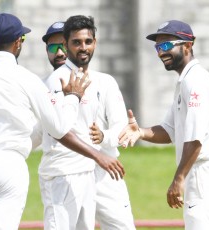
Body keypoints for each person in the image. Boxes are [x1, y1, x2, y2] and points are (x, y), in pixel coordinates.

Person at [0, 13, 124, 230]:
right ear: (19, 42)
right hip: (8, 166)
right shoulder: (27, 79)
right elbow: (58, 128)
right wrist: (73, 98)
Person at [119, 20, 209, 230]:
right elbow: (170, 130)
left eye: (166, 45)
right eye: (157, 47)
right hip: (201, 171)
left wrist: (178, 179)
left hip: (204, 172)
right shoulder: (185, 81)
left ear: (188, 45)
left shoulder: (195, 81)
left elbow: (195, 138)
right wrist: (141, 132)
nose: (160, 52)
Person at [39, 16, 135, 230]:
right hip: (70, 171)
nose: (83, 48)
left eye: (88, 42)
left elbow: (120, 126)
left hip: (106, 170)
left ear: (95, 42)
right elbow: (53, 130)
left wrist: (105, 137)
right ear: (67, 45)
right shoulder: (56, 80)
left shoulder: (106, 81)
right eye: (76, 42)